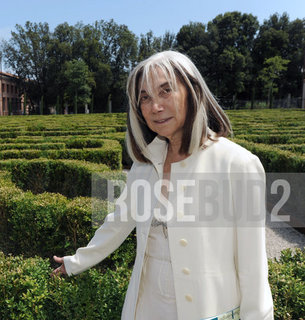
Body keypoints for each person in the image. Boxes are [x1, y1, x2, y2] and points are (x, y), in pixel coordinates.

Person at [52, 51, 274, 320]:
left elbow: (253, 268)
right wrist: (76, 261)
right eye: (145, 97)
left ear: (192, 92)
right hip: (146, 307)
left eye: (165, 91)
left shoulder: (238, 164)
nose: (154, 106)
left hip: (208, 309)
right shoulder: (143, 166)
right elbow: (119, 221)